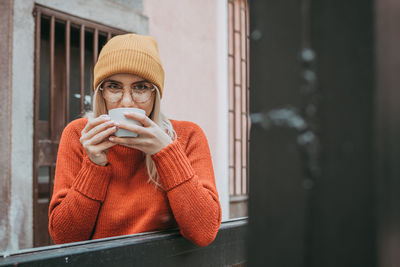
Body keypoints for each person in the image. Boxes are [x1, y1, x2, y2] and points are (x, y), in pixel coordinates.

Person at [48, 34, 221, 247]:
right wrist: (94, 165)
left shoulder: (187, 136)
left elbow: (204, 232)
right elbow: (65, 238)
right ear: (101, 92)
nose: (127, 101)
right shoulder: (79, 135)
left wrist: (166, 151)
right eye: (114, 86)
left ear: (155, 93)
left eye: (140, 87)